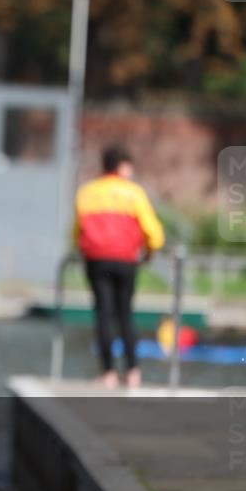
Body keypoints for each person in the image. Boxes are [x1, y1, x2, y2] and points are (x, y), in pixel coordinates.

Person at [74, 145, 164, 388]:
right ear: (123, 166)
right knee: (125, 315)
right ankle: (133, 372)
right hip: (126, 260)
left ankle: (108, 374)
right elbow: (153, 231)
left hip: (97, 260)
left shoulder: (86, 192)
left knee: (103, 314)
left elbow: (77, 230)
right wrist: (150, 251)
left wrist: (82, 249)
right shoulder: (133, 193)